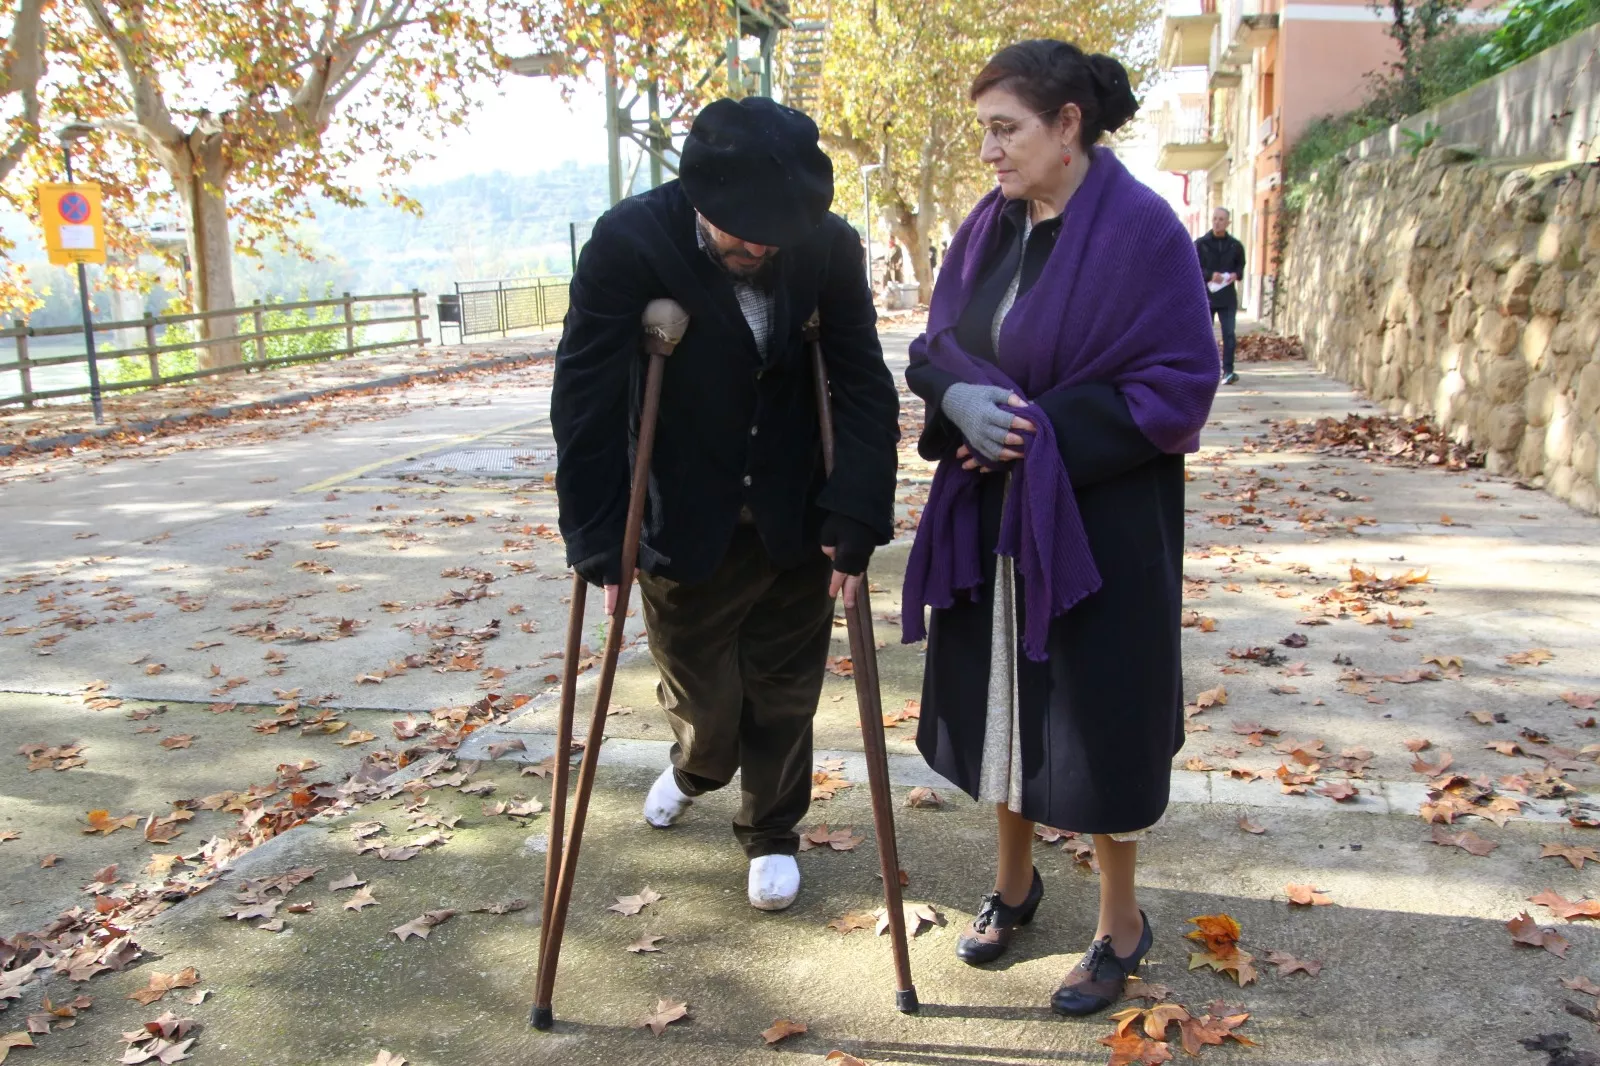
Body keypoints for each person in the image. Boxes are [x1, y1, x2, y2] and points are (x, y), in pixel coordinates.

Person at [901, 40, 1218, 1016]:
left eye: (1006, 130)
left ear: (1067, 125)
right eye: (984, 132)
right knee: (1001, 699)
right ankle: (1013, 887)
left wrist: (1035, 435)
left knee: (1098, 721)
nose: (988, 151)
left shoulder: (1142, 231)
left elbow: (1178, 385)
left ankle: (1120, 922)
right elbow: (938, 344)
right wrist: (958, 402)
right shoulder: (986, 226)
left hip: (1100, 524)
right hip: (991, 513)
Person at [551, 97, 900, 912]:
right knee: (706, 706)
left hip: (794, 511)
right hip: (683, 512)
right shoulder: (631, 241)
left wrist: (857, 508)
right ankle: (695, 766)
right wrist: (597, 532)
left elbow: (860, 379)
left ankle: (772, 830)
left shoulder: (827, 244)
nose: (761, 246)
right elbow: (585, 391)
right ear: (700, 196)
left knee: (785, 692)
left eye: (776, 232)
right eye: (744, 230)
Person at [1195, 207, 1245, 384]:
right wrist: (1210, 275)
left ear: (1228, 223)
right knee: (1204, 335)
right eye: (1215, 218)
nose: (1217, 222)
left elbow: (1240, 266)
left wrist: (1235, 275)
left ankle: (1228, 371)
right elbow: (1192, 267)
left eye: (1221, 219)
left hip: (1227, 297)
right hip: (1206, 297)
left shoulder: (1235, 246)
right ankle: (1203, 370)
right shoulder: (1200, 244)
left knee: (1229, 333)